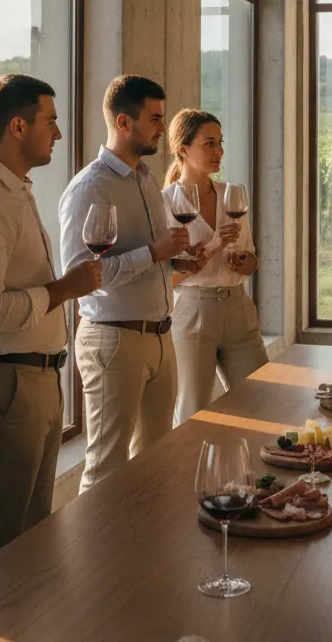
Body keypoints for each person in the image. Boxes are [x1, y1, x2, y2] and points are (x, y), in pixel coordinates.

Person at [0, 74, 101, 574]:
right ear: (18, 125)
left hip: (36, 379)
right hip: (8, 381)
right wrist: (65, 289)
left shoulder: (14, 192)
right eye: (50, 121)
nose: (57, 133)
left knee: (31, 539)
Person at [59, 75, 197, 492]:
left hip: (160, 335)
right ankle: (97, 558)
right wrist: (153, 253)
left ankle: (143, 556)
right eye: (155, 119)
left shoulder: (146, 179)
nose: (162, 127)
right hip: (114, 341)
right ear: (123, 122)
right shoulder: (90, 187)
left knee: (157, 462)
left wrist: (179, 260)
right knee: (106, 469)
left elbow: (153, 258)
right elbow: (80, 275)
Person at [162, 109, 268, 425]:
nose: (219, 151)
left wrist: (245, 260)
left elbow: (250, 261)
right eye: (209, 143)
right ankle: (192, 474)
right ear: (183, 148)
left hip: (238, 308)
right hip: (193, 313)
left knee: (262, 401)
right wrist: (212, 248)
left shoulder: (232, 195)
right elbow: (168, 279)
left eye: (220, 142)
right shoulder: (165, 203)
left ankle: (254, 474)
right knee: (193, 411)